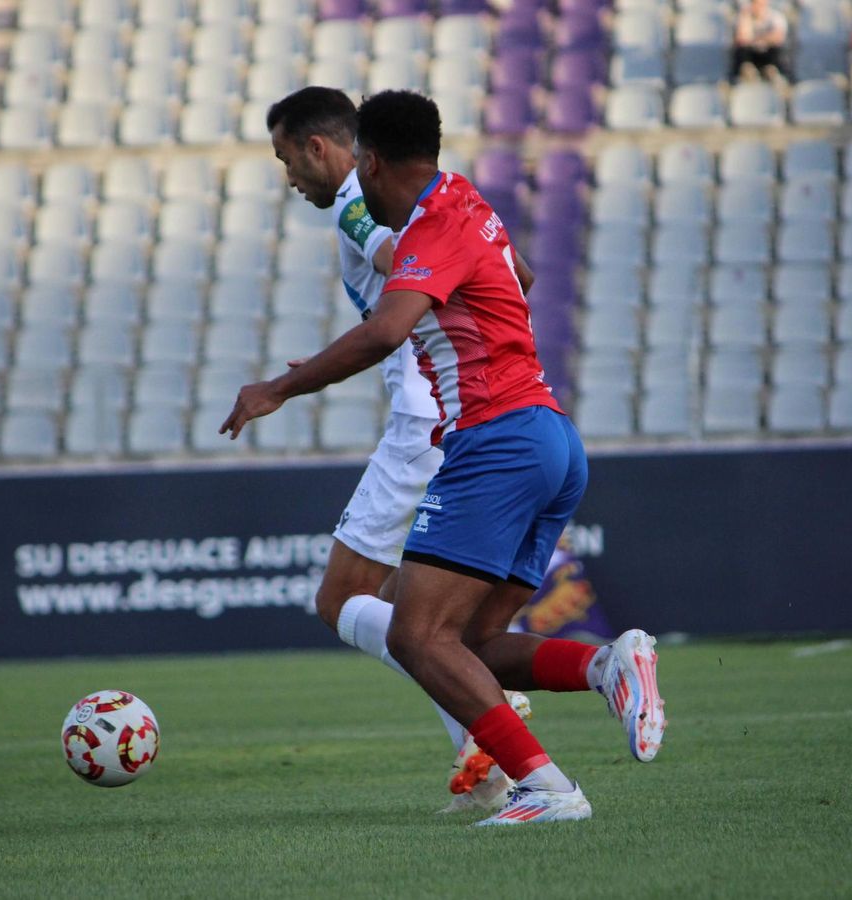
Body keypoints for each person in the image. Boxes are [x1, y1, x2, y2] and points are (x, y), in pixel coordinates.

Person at [223, 90, 666, 827]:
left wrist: (279, 387)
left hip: (493, 440)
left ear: (364, 159)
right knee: (467, 644)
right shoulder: (466, 200)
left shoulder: (421, 224)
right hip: (551, 435)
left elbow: (387, 331)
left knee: (413, 634)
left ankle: (543, 786)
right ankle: (605, 665)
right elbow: (518, 275)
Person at [263, 86, 528, 812]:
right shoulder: (433, 196)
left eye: (287, 159)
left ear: (320, 148)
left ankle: (486, 713)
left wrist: (282, 388)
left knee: (344, 599)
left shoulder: (359, 201)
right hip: (452, 412)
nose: (288, 178)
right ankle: (488, 750)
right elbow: (512, 274)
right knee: (412, 613)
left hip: (427, 414)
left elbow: (398, 260)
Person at [732, 0, 790, 83]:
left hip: (768, 53)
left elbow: (778, 38)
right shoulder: (743, 17)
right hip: (750, 54)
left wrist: (754, 39)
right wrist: (745, 17)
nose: (758, 7)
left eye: (760, 3)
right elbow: (741, 40)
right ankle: (747, 71)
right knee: (741, 51)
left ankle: (771, 72)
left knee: (777, 51)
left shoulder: (776, 17)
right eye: (755, 3)